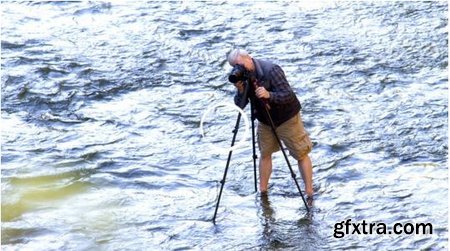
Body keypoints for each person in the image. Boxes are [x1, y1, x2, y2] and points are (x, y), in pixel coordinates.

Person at [227, 48, 314, 200]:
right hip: (265, 120)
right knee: (265, 153)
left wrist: (269, 95)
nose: (237, 69)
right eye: (234, 66)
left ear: (248, 58)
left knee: (301, 153)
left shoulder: (271, 70)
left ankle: (309, 192)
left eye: (239, 65)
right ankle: (263, 192)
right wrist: (240, 90)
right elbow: (240, 105)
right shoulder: (243, 77)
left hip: (287, 118)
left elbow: (288, 95)